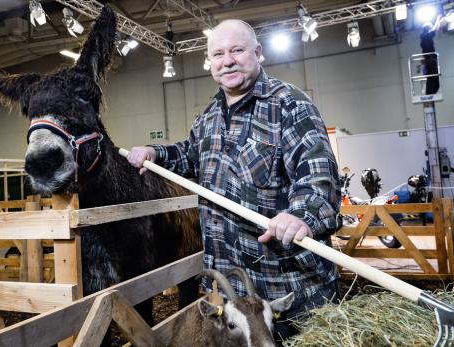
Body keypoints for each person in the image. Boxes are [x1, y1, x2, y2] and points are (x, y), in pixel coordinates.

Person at [127, 20, 341, 340]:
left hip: (288, 287)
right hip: (234, 288)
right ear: (210, 62)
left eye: (237, 51)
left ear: (258, 53)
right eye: (218, 54)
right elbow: (191, 154)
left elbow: (318, 174)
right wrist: (156, 153)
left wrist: (301, 215)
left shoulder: (289, 105)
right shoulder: (209, 115)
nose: (227, 60)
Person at [420, 16, 444, 95]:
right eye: (430, 27)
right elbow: (435, 29)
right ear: (428, 28)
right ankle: (430, 93)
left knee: (431, 78)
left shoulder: (424, 37)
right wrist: (438, 20)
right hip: (430, 60)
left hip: (429, 60)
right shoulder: (426, 36)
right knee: (434, 79)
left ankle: (429, 93)